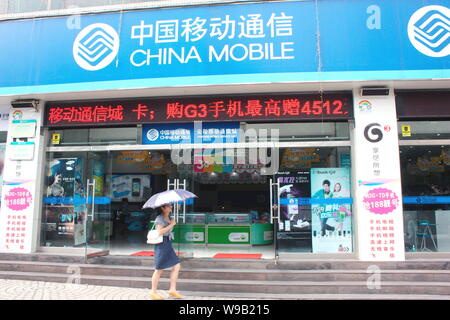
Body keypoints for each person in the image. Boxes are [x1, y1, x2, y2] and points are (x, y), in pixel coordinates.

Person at [150, 203, 183, 300]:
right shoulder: (159, 218)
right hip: (161, 244)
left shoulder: (170, 217)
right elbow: (160, 232)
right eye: (168, 206)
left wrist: (172, 221)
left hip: (168, 243)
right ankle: (153, 292)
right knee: (159, 269)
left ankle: (172, 290)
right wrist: (171, 224)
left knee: (176, 266)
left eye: (170, 206)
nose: (170, 207)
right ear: (162, 208)